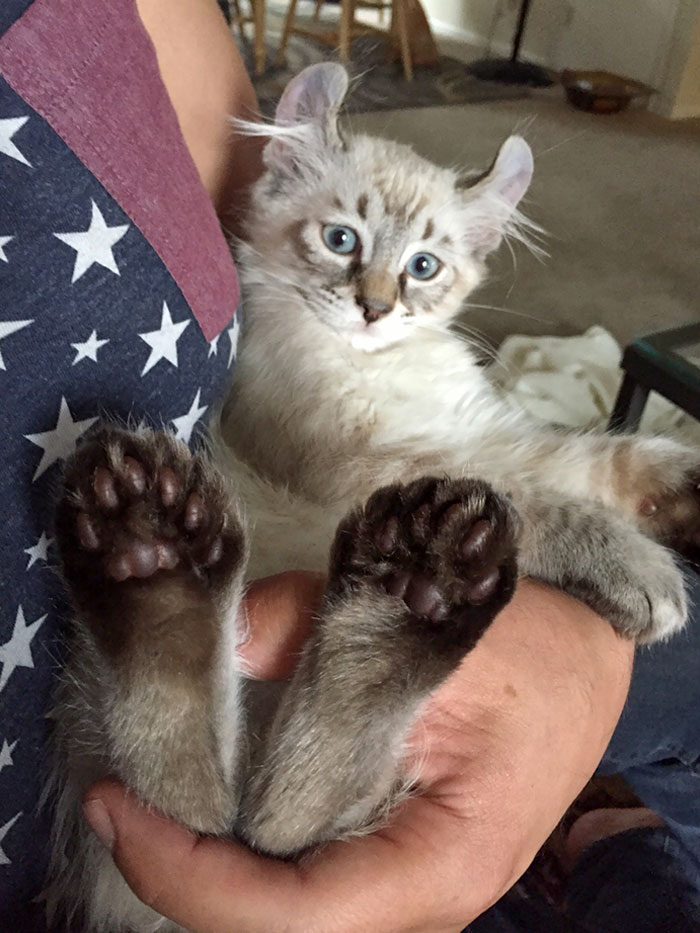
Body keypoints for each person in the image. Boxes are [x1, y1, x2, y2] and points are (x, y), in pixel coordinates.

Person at [0, 1, 698, 930]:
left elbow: (496, 452)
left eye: (420, 270)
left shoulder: (410, 341)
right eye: (343, 243)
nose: (373, 298)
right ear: (285, 187)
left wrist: (631, 474)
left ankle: (270, 689)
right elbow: (380, 486)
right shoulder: (282, 316)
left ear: (473, 258)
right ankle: (350, 692)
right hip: (286, 644)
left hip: (245, 686)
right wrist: (561, 525)